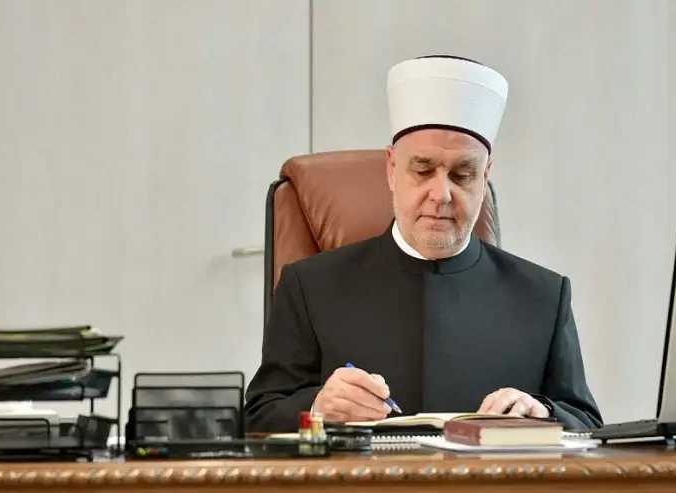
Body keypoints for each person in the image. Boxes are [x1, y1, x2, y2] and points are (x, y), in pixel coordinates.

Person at [243, 55, 602, 433]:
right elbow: (258, 417)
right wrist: (317, 407)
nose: (441, 194)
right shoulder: (310, 286)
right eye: (423, 170)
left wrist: (542, 412)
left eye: (462, 175)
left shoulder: (543, 296)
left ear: (485, 177)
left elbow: (588, 424)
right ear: (391, 169)